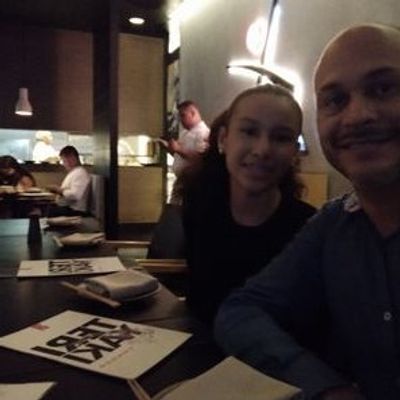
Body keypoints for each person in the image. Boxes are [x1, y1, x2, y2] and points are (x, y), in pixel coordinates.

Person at [214, 23, 400, 400]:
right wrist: (327, 388)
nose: (357, 116)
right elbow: (240, 311)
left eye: (383, 88)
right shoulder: (332, 225)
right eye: (335, 100)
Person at [182, 84, 316, 323]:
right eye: (250, 131)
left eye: (281, 137)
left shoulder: (309, 229)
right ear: (223, 139)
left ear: (294, 152)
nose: (263, 149)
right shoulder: (199, 205)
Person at [158, 100, 210, 205]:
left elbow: (200, 159)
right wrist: (170, 149)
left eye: (183, 115)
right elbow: (181, 157)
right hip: (181, 180)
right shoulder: (184, 133)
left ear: (193, 113)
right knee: (175, 209)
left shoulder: (203, 133)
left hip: (193, 182)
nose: (181, 120)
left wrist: (178, 149)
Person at [47, 145, 91, 217]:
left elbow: (75, 195)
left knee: (48, 210)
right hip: (67, 207)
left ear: (72, 159)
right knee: (47, 207)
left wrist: (60, 190)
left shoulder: (80, 173)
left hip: (74, 210)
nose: (64, 164)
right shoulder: (74, 172)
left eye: (64, 161)